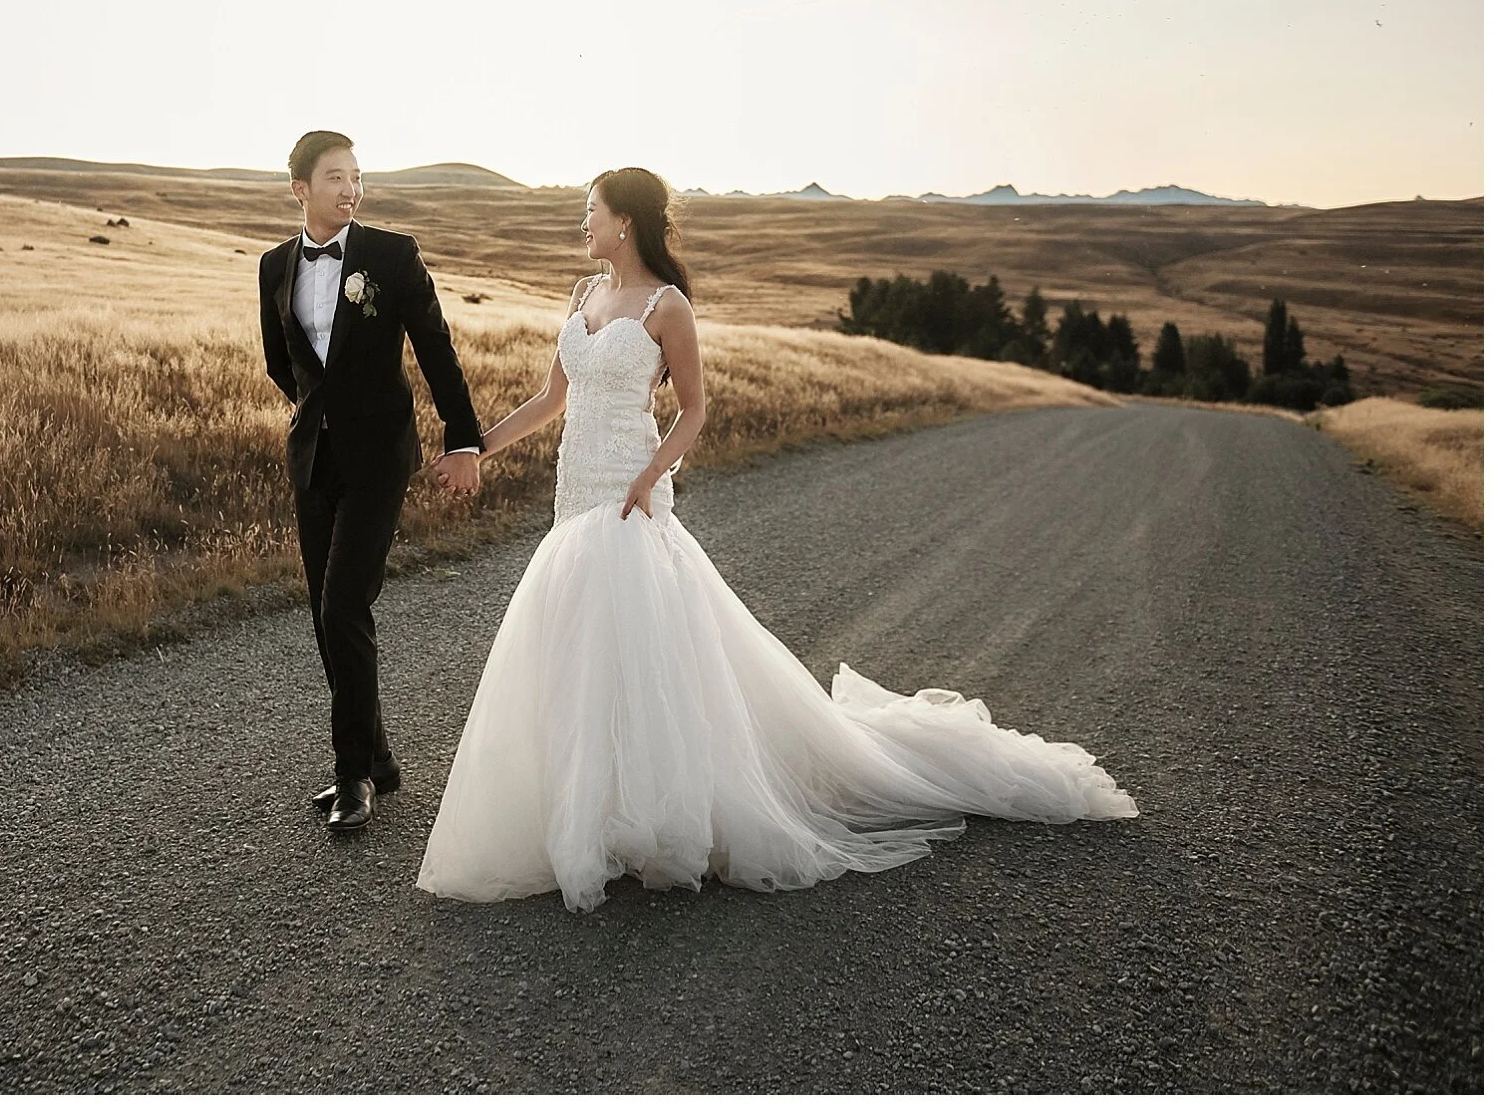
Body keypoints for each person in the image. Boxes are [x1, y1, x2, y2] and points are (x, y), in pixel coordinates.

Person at [415, 166, 1139, 913]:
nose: (582, 225)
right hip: (576, 500)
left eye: (590, 212)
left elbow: (694, 410)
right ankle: (588, 811)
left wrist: (650, 472)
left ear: (624, 222)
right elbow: (549, 400)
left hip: (632, 496)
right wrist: (475, 448)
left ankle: (661, 815)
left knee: (642, 650)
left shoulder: (668, 307)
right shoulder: (582, 296)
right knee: (581, 651)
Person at [258, 130, 484, 834]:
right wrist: (314, 417)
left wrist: (465, 439)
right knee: (328, 619)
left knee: (343, 606)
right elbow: (281, 362)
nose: (351, 189)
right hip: (315, 461)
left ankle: (351, 775)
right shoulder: (273, 266)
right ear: (301, 188)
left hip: (380, 458)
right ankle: (377, 758)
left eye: (357, 177)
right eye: (336, 177)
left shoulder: (391, 255)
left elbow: (436, 349)